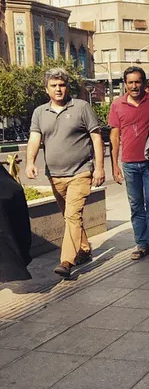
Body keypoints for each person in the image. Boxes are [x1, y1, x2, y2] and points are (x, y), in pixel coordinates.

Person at [26, 68, 105, 277]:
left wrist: (99, 167)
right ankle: (84, 249)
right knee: (70, 217)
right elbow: (35, 138)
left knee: (72, 215)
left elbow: (97, 138)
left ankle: (67, 261)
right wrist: (30, 162)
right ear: (46, 89)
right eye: (54, 85)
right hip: (55, 175)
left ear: (67, 87)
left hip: (80, 172)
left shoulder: (81, 107)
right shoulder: (40, 112)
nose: (58, 89)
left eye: (61, 85)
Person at [108, 66, 149, 262]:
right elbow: (114, 136)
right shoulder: (117, 105)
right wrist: (115, 165)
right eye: (130, 82)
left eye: (138, 82)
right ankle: (141, 244)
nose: (134, 86)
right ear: (125, 84)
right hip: (129, 164)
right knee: (136, 205)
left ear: (145, 83)